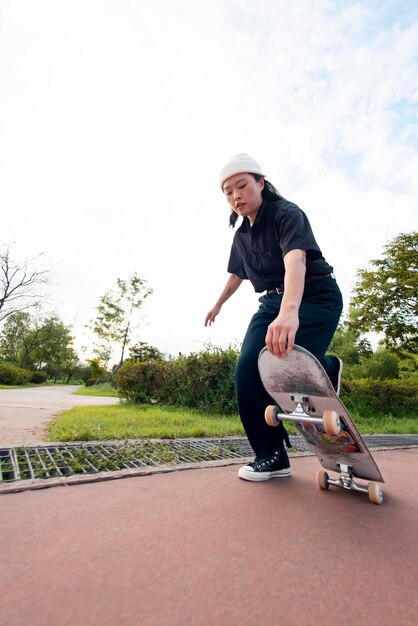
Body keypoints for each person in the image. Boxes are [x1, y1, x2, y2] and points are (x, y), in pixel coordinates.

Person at [205, 153, 343, 482]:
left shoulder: (286, 214)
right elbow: (236, 275)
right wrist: (218, 304)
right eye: (228, 191)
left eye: (242, 186)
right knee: (247, 372)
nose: (236, 195)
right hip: (270, 304)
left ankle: (324, 365)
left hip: (315, 295)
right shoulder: (240, 236)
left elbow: (296, 261)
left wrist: (290, 311)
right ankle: (272, 456)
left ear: (261, 184)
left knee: (283, 363)